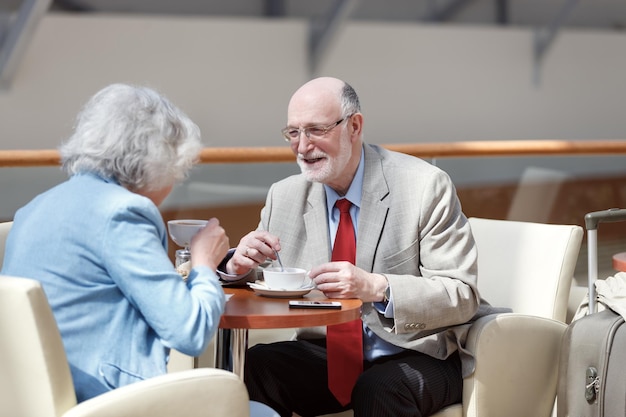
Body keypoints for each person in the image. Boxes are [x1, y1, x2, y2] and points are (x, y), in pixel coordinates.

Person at [219, 77, 504, 417]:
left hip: (422, 352)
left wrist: (375, 286)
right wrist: (237, 265)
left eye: (316, 130)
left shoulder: (424, 186)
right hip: (327, 353)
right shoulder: (285, 195)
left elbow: (461, 294)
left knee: (378, 388)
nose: (302, 146)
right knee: (253, 367)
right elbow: (263, 274)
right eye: (293, 133)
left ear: (354, 126)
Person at [1, 83, 278, 417]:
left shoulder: (33, 209)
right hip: (108, 401)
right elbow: (189, 332)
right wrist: (205, 262)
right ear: (158, 161)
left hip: (36, 402)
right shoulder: (123, 212)